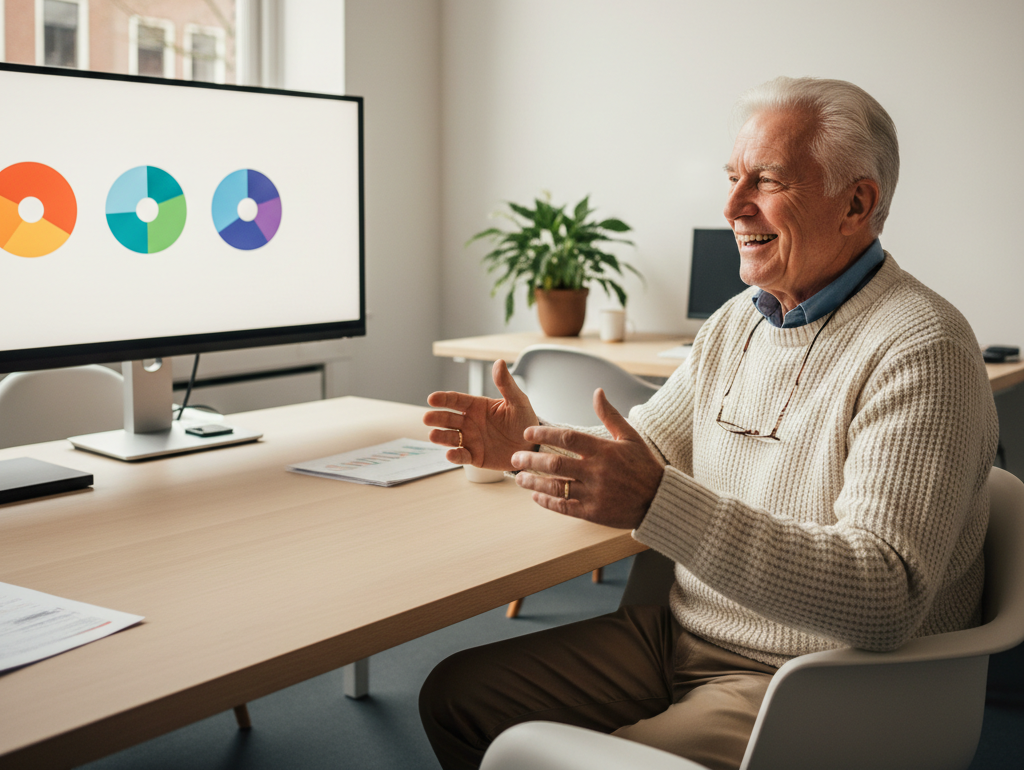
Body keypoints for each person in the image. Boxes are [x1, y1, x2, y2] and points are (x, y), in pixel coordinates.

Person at [419, 77, 998, 770]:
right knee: (456, 697)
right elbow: (643, 454)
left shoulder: (921, 348)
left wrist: (658, 501)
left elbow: (884, 594)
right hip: (678, 633)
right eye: (731, 178)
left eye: (767, 180)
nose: (731, 206)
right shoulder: (736, 321)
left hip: (812, 677)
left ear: (857, 202)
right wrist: (532, 447)